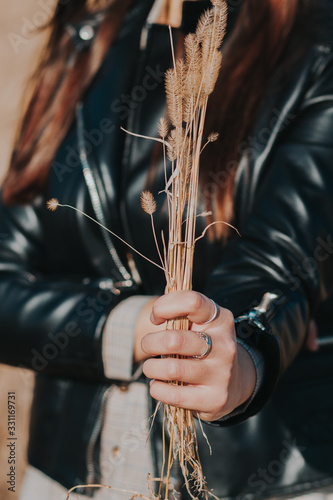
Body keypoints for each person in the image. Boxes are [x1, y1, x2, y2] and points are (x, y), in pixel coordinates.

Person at [0, 0, 333, 498]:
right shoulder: (90, 24)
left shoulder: (315, 36)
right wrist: (134, 327)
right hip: (70, 477)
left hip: (257, 481)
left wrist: (241, 356)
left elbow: (279, 267)